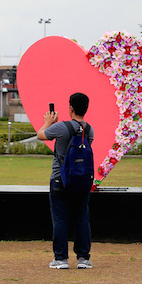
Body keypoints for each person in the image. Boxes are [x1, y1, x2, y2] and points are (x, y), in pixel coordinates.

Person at [37, 92, 94, 270]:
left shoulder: (61, 127)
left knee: (60, 219)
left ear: (71, 108)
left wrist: (48, 121)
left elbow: (41, 135)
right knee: (81, 218)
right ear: (86, 108)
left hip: (59, 179)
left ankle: (61, 259)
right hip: (81, 180)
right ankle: (83, 258)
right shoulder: (89, 129)